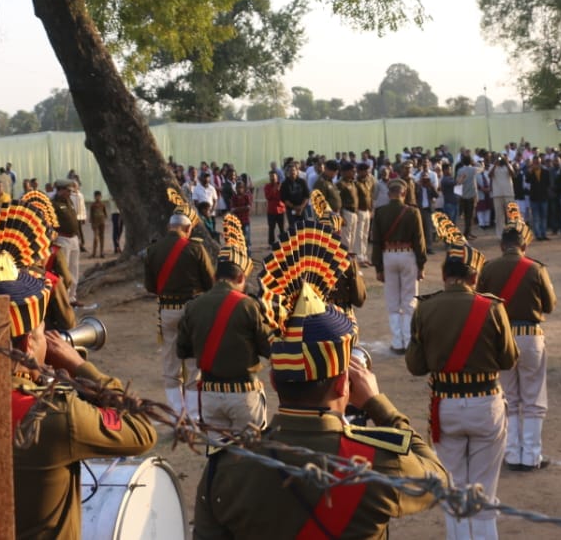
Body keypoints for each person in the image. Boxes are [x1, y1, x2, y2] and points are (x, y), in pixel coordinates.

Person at [0, 242, 156, 538]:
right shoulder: (55, 414)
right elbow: (142, 430)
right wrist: (80, 367)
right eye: (43, 334)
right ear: (29, 342)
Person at [193, 284, 448, 537]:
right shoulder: (378, 462)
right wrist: (377, 404)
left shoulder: (224, 467)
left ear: (273, 381)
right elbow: (439, 481)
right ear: (342, 384)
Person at [408, 243, 517, 540]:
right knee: (483, 493)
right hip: (486, 404)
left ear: (444, 274)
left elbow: (416, 366)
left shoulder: (425, 308)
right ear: (474, 277)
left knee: (453, 490)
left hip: (446, 406)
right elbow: (508, 360)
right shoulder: (493, 307)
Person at [475, 208, 557, 472]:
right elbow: (550, 305)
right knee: (533, 399)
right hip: (530, 335)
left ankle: (511, 454)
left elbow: (480, 303)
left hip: (501, 337)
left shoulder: (488, 269)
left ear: (501, 245)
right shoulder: (535, 268)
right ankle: (531, 456)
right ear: (524, 245)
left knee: (508, 397)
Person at [176, 228, 270, 431]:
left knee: (217, 457)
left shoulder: (193, 305)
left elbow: (182, 350)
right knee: (251, 457)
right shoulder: (248, 305)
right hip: (243, 394)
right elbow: (268, 348)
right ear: (241, 278)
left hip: (210, 395)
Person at [144, 211, 215, 415]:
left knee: (170, 364)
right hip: (192, 310)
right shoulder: (196, 248)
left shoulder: (153, 250)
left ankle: (177, 415)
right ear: (188, 229)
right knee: (193, 365)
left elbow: (150, 286)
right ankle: (193, 415)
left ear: (169, 228)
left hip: (167, 310)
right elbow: (210, 282)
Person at [372, 178, 427, 354]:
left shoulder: (380, 212)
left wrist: (378, 268)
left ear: (389, 194)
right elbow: (419, 241)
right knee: (409, 299)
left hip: (388, 256)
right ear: (404, 193)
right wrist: (421, 264)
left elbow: (376, 241)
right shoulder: (412, 212)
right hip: (408, 255)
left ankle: (397, 342)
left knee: (393, 301)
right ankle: (409, 341)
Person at [51, 181, 81, 296]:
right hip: (62, 239)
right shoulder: (53, 204)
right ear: (60, 190)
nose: (69, 193)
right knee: (64, 269)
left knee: (74, 268)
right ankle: (65, 297)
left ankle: (72, 296)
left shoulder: (69, 202)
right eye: (67, 191)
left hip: (73, 238)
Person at [264, 170, 286, 250]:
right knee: (271, 228)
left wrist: (278, 189)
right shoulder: (267, 186)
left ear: (277, 177)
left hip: (280, 209)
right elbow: (268, 197)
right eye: (271, 177)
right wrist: (274, 189)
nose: (272, 178)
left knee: (282, 228)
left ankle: (284, 243)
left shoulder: (282, 186)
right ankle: (271, 243)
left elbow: (281, 197)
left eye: (274, 177)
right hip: (271, 210)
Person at [88, 190, 109, 258]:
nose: (98, 198)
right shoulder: (93, 205)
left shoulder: (102, 204)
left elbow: (105, 213)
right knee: (95, 238)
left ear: (101, 197)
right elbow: (91, 215)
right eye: (96, 196)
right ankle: (94, 253)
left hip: (102, 222)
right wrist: (91, 222)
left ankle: (101, 252)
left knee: (102, 237)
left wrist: (105, 219)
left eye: (99, 196)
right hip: (95, 223)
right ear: (94, 197)